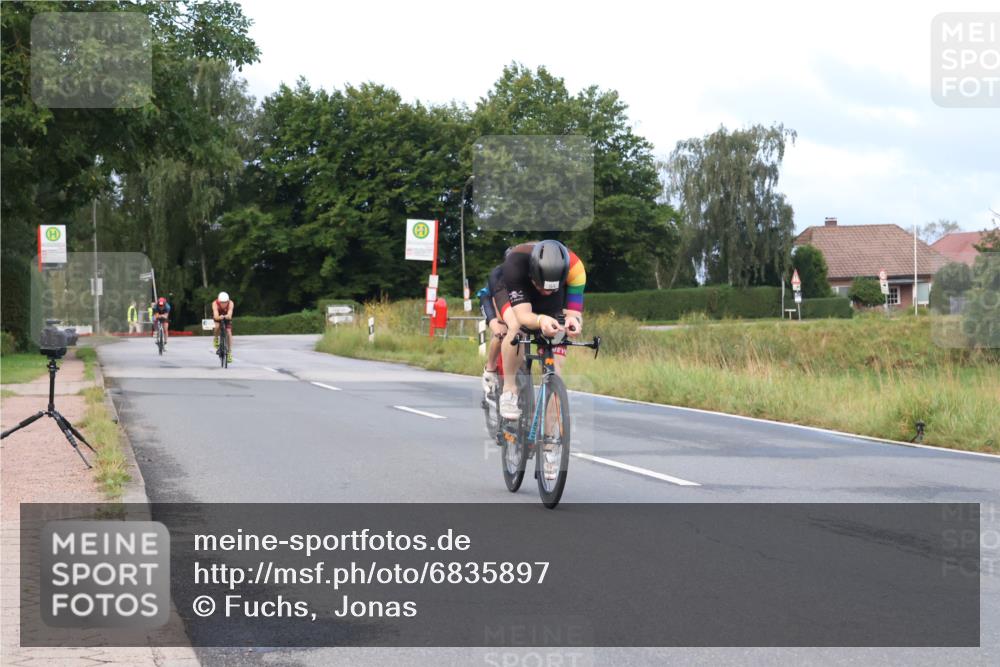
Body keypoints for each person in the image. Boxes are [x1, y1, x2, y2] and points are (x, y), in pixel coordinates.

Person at [486, 240, 586, 420]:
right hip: (514, 290)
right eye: (541, 286)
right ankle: (509, 391)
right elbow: (524, 315)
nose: (545, 292)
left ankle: (548, 443)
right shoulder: (515, 263)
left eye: (551, 289)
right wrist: (540, 320)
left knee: (556, 369)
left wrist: (574, 321)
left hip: (552, 302)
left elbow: (573, 311)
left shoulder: (576, 269)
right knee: (517, 327)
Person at [212, 291, 234, 364]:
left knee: (229, 332)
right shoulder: (215, 303)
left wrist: (227, 316)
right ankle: (215, 338)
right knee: (217, 326)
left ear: (228, 301)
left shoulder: (231, 303)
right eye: (222, 302)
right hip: (218, 316)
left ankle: (229, 352)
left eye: (225, 302)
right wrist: (219, 317)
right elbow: (215, 315)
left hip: (226, 317)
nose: (223, 304)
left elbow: (230, 314)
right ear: (219, 301)